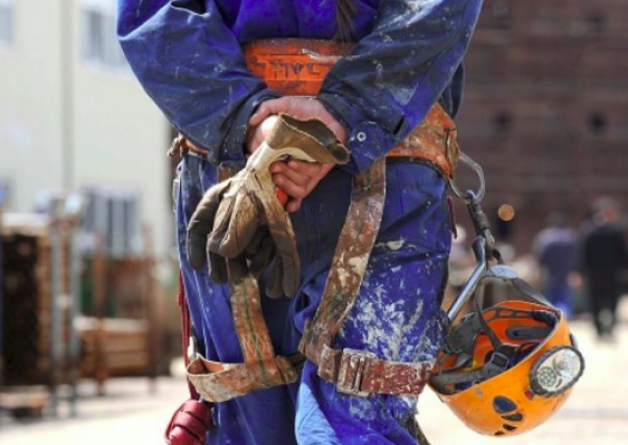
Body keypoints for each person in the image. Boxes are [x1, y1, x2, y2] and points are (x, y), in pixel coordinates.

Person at [117, 1, 482, 444]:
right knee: (353, 414)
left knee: (256, 417)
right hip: (368, 161)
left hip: (248, 164)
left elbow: (154, 15)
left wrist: (256, 122)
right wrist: (340, 116)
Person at [578, 198, 628, 342]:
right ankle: (608, 329)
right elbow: (625, 253)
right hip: (612, 275)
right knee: (612, 303)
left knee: (595, 303)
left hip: (594, 274)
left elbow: (582, 254)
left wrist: (579, 271)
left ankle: (599, 330)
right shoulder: (616, 231)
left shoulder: (589, 231)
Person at [533, 213, 577, 318]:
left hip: (550, 271)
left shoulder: (545, 237)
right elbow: (577, 255)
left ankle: (555, 316)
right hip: (566, 271)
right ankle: (565, 316)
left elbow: (540, 256)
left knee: (551, 296)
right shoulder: (570, 237)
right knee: (565, 296)